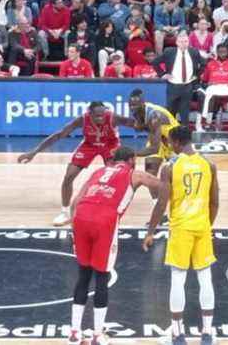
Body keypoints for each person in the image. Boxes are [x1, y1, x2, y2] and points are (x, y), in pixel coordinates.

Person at [67, 146, 160, 345]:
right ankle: (97, 335)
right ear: (132, 159)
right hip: (104, 222)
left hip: (81, 218)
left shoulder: (98, 172)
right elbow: (159, 185)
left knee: (83, 275)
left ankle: (74, 333)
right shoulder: (134, 174)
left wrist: (75, 228)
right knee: (102, 277)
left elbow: (76, 202)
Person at [143, 126, 219, 345]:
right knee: (205, 279)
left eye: (170, 142)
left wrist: (151, 231)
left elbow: (161, 202)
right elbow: (215, 202)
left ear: (176, 142)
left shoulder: (170, 166)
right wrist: (207, 225)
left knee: (178, 279)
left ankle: (177, 334)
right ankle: (207, 333)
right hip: (202, 227)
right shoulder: (209, 164)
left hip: (180, 228)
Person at [17, 102, 134, 226]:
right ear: (90, 113)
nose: (101, 118)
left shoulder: (113, 117)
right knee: (69, 176)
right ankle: (64, 212)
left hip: (110, 145)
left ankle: (113, 211)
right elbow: (59, 135)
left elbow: (133, 123)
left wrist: (148, 125)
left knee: (114, 178)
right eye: (97, 116)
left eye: (102, 115)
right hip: (89, 145)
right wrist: (34, 152)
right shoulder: (82, 120)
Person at [128, 88, 181, 207]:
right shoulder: (139, 112)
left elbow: (154, 148)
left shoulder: (154, 115)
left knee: (181, 175)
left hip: (176, 142)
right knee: (150, 173)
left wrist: (132, 153)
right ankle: (159, 210)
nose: (132, 108)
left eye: (135, 105)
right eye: (130, 105)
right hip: (160, 140)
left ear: (143, 103)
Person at [153, 31, 204, 126]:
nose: (183, 44)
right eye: (181, 42)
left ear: (188, 42)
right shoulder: (169, 52)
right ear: (176, 43)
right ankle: (170, 134)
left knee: (185, 114)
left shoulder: (194, 52)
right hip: (173, 86)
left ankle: (184, 136)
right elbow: (155, 62)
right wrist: (162, 74)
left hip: (187, 86)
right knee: (171, 112)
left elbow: (204, 64)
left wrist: (196, 75)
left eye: (185, 41)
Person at [198, 45, 228, 131]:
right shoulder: (210, 64)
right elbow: (204, 81)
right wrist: (209, 83)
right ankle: (208, 122)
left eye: (224, 52)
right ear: (217, 52)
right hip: (214, 87)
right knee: (210, 94)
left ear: (227, 52)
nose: (223, 54)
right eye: (221, 52)